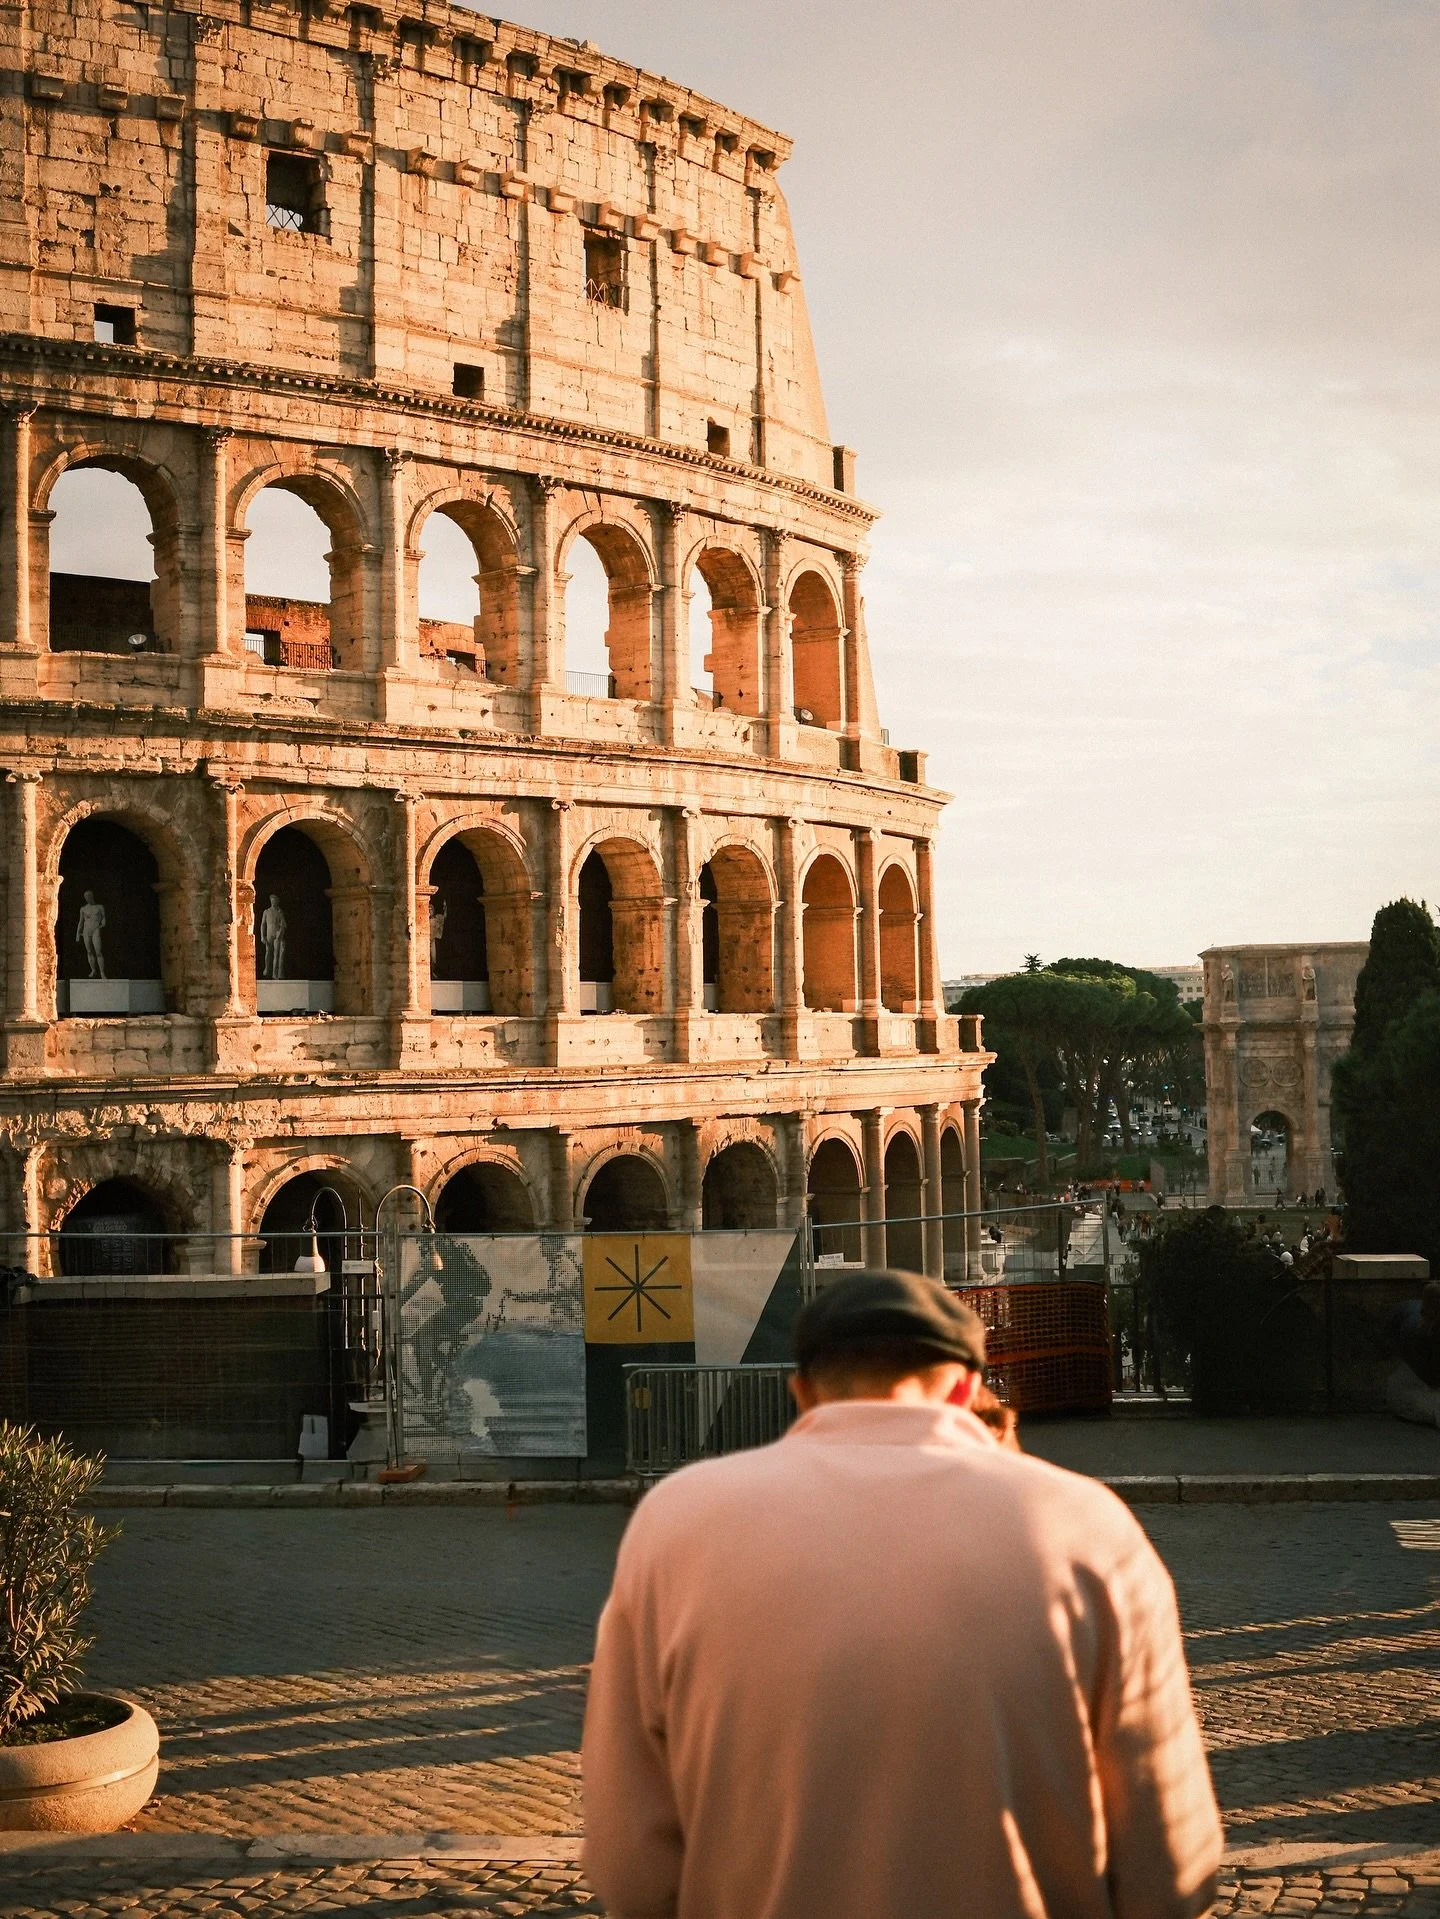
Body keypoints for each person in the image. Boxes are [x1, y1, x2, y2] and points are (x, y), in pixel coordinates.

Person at [583, 1270, 1222, 1919]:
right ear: (967, 1386)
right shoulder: (1089, 1524)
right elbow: (1169, 1861)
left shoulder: (676, 1521)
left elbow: (630, 1864)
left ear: (802, 1391)